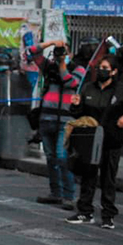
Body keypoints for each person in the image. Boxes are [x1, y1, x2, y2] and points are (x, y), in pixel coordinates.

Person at [66, 55, 123, 229]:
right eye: (99, 67)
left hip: (112, 139)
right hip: (90, 139)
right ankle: (85, 211)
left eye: (105, 68)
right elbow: (78, 113)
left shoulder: (122, 91)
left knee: (108, 178)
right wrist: (75, 105)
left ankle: (108, 215)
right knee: (88, 175)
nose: (101, 70)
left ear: (114, 71)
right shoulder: (88, 89)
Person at [27, 38, 86, 208]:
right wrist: (50, 43)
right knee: (51, 159)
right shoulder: (48, 66)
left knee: (62, 158)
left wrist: (62, 64)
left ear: (70, 54)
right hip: (46, 118)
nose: (61, 55)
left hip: (65, 120)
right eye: (59, 52)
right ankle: (55, 193)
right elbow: (31, 52)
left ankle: (69, 195)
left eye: (64, 52)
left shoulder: (78, 69)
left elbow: (70, 82)